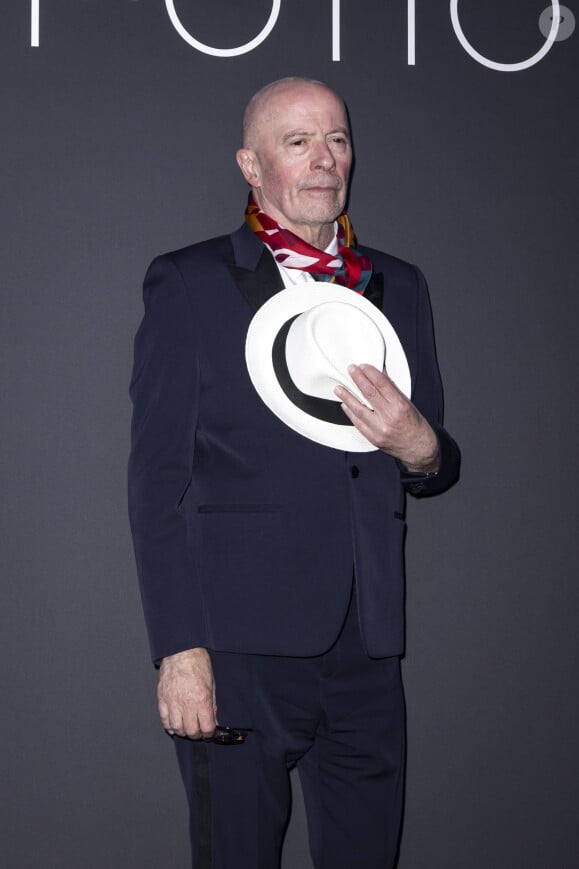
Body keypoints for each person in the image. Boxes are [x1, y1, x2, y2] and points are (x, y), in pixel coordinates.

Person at [128, 76, 460, 869]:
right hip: (239, 652)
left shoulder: (398, 287)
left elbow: (433, 460)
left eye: (338, 140)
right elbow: (156, 481)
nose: (325, 160)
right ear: (251, 163)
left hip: (367, 648)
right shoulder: (191, 282)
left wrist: (420, 445)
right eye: (298, 141)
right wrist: (179, 650)